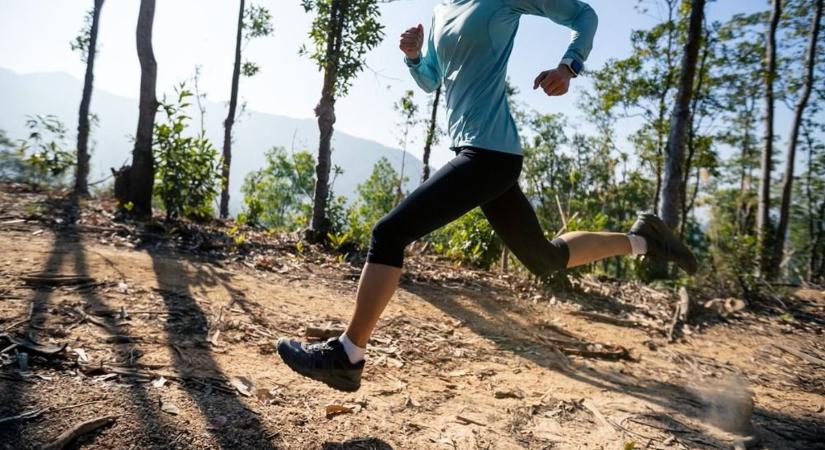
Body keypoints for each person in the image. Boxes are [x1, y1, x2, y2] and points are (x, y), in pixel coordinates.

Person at [277, 0, 697, 392]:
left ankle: (348, 355)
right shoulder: (443, 10)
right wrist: (413, 57)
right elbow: (431, 81)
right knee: (545, 258)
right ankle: (646, 238)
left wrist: (568, 67)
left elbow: (584, 15)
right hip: (479, 153)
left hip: (489, 154)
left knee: (389, 233)